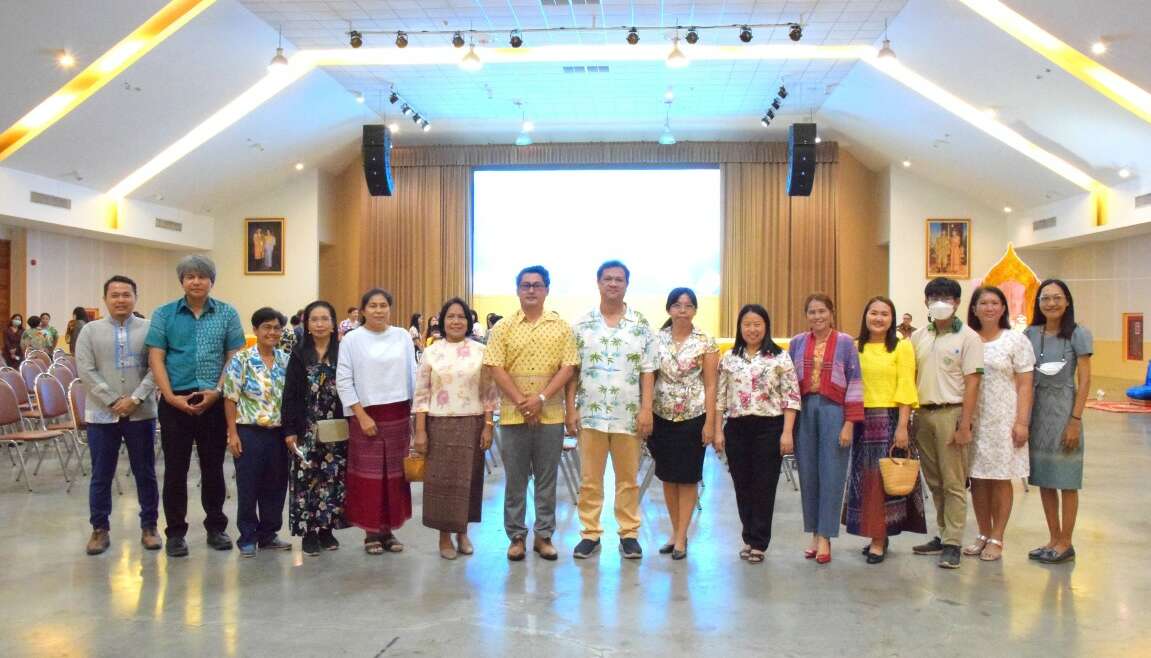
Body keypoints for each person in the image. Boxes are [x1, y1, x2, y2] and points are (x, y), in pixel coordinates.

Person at [146, 255, 247, 558]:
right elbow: (156, 357)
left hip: (213, 401)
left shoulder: (227, 314)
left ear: (211, 281)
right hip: (175, 400)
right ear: (182, 281)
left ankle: (216, 527)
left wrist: (217, 391)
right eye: (189, 276)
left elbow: (234, 355)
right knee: (175, 470)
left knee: (213, 467)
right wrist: (170, 396)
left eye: (202, 276)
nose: (196, 281)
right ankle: (176, 533)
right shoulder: (164, 314)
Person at [484, 265, 577, 561]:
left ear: (547, 289)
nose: (532, 290)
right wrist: (523, 402)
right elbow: (495, 367)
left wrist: (540, 398)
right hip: (513, 415)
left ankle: (544, 536)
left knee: (548, 478)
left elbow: (569, 366)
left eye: (537, 285)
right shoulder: (503, 327)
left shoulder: (561, 327)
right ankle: (516, 537)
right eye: (526, 285)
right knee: (515, 479)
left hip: (550, 415)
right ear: (518, 290)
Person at [566, 260, 657, 560]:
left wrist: (646, 410)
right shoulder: (582, 325)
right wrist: (570, 408)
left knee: (627, 479)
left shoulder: (641, 326)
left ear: (626, 284)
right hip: (590, 415)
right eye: (608, 279)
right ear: (598, 282)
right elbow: (573, 372)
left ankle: (628, 533)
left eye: (619, 279)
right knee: (590, 479)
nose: (613, 284)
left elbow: (648, 372)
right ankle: (590, 534)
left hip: (628, 415)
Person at [76, 276, 160, 555]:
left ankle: (149, 526)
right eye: (115, 295)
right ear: (105, 299)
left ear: (135, 297)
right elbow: (85, 371)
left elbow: (156, 368)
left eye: (126, 294)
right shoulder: (90, 331)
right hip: (102, 415)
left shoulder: (150, 329)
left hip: (141, 413)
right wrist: (113, 400)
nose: (121, 299)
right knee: (101, 474)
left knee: (145, 472)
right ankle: (99, 529)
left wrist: (135, 398)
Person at [412, 298, 499, 560]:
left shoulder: (480, 351)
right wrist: (420, 430)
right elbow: (421, 394)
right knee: (442, 483)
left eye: (461, 316)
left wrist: (488, 425)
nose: (456, 321)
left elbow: (488, 392)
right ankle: (444, 537)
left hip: (472, 423)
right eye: (451, 316)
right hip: (438, 424)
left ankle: (463, 532)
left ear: (469, 321)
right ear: (442, 320)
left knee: (468, 481)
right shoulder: (432, 351)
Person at [843, 297, 925, 564]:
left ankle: (880, 538)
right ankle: (875, 533)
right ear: (865, 316)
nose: (878, 318)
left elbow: (906, 386)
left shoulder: (902, 347)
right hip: (860, 419)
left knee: (883, 481)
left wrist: (903, 425)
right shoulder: (855, 347)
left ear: (892, 319)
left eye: (885, 314)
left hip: (889, 418)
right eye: (873, 313)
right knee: (864, 480)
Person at [716, 304, 800, 564]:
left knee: (764, 486)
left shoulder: (780, 357)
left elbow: (791, 397)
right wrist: (719, 430)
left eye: (757, 324)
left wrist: (787, 433)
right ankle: (748, 536)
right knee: (742, 485)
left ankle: (759, 542)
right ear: (740, 328)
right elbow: (720, 398)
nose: (752, 329)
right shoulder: (729, 358)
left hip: (769, 427)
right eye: (747, 324)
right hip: (737, 428)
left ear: (766, 327)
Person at [909, 277, 983, 569]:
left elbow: (973, 383)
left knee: (953, 482)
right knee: (934, 480)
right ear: (926, 301)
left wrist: (965, 424)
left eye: (947, 297)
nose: (940, 302)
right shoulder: (918, 337)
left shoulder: (968, 338)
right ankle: (942, 534)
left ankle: (953, 542)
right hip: (923, 415)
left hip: (952, 413)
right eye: (934, 297)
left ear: (957, 303)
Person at [336, 288, 416, 555]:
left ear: (390, 309)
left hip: (398, 414)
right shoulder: (352, 340)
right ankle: (371, 532)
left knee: (394, 477)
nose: (379, 310)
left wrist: (415, 411)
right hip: (366, 415)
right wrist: (360, 415)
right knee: (369, 477)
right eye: (373, 305)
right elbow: (344, 380)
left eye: (383, 305)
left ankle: (389, 530)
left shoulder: (402, 336)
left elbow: (412, 373)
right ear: (363, 310)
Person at [788, 293, 864, 564]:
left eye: (822, 311)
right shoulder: (797, 343)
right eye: (812, 312)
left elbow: (855, 382)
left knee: (832, 474)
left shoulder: (845, 343)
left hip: (835, 410)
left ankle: (826, 536)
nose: (817, 316)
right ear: (806, 315)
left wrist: (849, 424)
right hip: (804, 410)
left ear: (831, 313)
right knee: (808, 473)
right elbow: (788, 384)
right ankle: (813, 532)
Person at [966, 286, 1034, 562]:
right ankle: (982, 533)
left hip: (1004, 419)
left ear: (1004, 308)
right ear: (974, 309)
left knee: (1001, 478)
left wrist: (1022, 422)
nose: (990, 307)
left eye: (996, 303)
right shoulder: (968, 340)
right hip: (974, 419)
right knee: (978, 478)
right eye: (984, 303)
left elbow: (1026, 385)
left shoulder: (1015, 341)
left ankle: (997, 537)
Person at [648, 287, 718, 560]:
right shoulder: (656, 339)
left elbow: (711, 385)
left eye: (688, 305)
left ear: (695, 310)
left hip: (694, 415)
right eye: (677, 305)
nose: (682, 310)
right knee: (667, 476)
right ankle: (676, 533)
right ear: (669, 309)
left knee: (687, 477)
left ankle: (681, 537)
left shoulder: (705, 341)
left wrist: (710, 423)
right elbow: (650, 378)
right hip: (661, 415)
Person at [1025, 279, 1091, 565]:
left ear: (1067, 302)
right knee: (1045, 479)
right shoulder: (1029, 333)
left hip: (1065, 410)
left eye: (1057, 298)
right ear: (1038, 303)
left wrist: (1075, 420)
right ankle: (1053, 539)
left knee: (1066, 480)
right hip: (1037, 414)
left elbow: (1085, 379)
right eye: (1045, 298)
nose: (1051, 303)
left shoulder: (1078, 334)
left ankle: (1067, 541)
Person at [223, 307, 291, 557]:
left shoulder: (286, 360)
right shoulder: (241, 359)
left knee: (276, 485)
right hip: (249, 432)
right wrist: (232, 433)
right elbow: (230, 398)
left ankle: (269, 534)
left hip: (279, 433)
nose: (272, 332)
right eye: (266, 327)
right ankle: (247, 536)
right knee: (249, 485)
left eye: (276, 328)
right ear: (255, 330)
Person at [282, 301, 347, 556]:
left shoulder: (344, 352)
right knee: (306, 479)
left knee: (332, 478)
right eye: (314, 319)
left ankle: (327, 530)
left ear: (333, 323)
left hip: (337, 425)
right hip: (306, 426)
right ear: (307, 325)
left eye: (325, 319)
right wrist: (289, 430)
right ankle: (308, 533)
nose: (320, 324)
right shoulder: (298, 354)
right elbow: (290, 395)